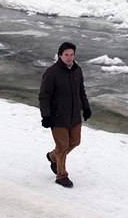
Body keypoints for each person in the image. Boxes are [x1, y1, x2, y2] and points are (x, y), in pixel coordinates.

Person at [38, 42, 91, 188]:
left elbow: (81, 90)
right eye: (66, 54)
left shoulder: (77, 70)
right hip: (57, 117)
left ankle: (53, 157)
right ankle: (61, 176)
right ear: (60, 55)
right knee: (62, 146)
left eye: (72, 54)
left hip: (74, 116)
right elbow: (44, 96)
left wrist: (86, 107)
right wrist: (46, 116)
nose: (69, 58)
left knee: (75, 142)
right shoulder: (52, 72)